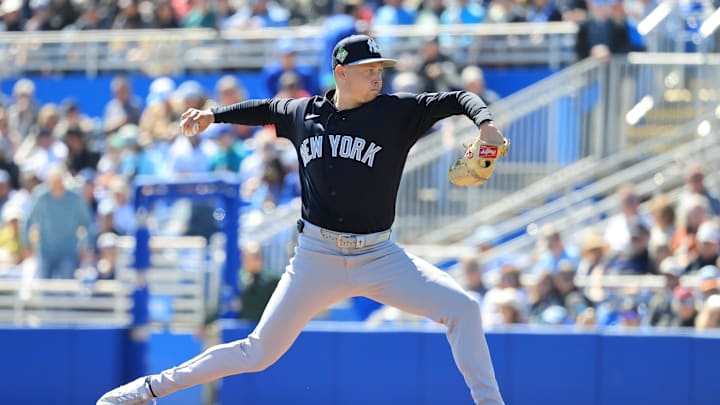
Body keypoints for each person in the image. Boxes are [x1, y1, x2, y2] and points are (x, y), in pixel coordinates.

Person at [97, 34, 507, 405]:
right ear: (341, 72)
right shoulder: (303, 113)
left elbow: (457, 99)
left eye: (380, 69)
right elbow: (263, 109)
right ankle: (147, 390)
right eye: (368, 71)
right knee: (257, 352)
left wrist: (486, 126)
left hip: (380, 256)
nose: (378, 77)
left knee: (463, 308)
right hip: (316, 257)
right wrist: (213, 116)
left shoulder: (397, 112)